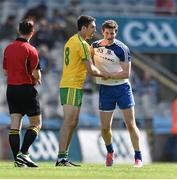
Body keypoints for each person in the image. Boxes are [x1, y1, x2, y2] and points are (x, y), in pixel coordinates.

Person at [56, 15, 110, 167]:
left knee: (73, 122)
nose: (94, 30)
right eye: (92, 27)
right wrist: (105, 74)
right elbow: (91, 69)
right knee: (69, 121)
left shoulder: (72, 40)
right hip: (72, 85)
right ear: (84, 27)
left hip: (73, 85)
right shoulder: (83, 44)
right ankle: (61, 158)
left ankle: (63, 157)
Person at [91, 20, 142, 167]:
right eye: (107, 33)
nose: (109, 36)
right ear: (102, 32)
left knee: (130, 124)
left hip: (122, 88)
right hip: (105, 90)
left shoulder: (122, 49)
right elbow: (89, 62)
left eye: (112, 33)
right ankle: (110, 152)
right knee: (105, 128)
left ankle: (138, 157)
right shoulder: (94, 46)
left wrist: (108, 75)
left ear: (116, 33)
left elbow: (126, 73)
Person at [3, 19, 42, 167]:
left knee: (15, 125)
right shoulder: (31, 50)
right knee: (36, 124)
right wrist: (38, 78)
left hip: (11, 89)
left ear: (18, 30)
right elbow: (36, 74)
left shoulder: (8, 48)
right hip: (26, 89)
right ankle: (23, 154)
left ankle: (17, 161)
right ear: (32, 32)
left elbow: (6, 71)